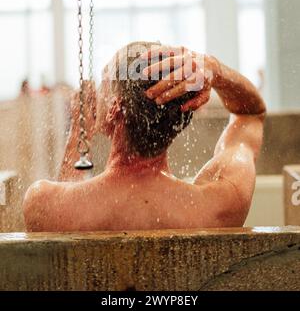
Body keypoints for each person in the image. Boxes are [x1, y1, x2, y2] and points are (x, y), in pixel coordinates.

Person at [23, 41, 266, 232]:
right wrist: (215, 69)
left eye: (103, 83)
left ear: (115, 110)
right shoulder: (218, 204)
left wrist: (79, 129)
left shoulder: (44, 204)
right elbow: (252, 114)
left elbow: (64, 217)